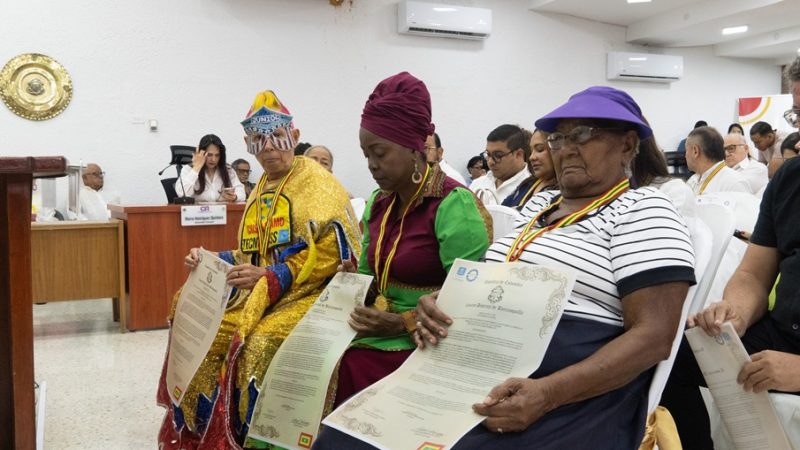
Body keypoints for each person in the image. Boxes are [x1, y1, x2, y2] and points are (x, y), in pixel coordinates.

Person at [317, 86, 696, 450]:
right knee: (345, 436)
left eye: (582, 135)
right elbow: (486, 281)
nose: (565, 149)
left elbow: (654, 335)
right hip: (479, 364)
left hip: (566, 389)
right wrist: (441, 300)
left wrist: (548, 394)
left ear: (627, 144)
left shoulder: (643, 209)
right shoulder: (539, 207)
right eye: (558, 138)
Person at [157, 90, 361, 449]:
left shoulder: (317, 182)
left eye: (276, 137)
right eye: (257, 141)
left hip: (314, 292)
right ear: (247, 144)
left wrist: (272, 276)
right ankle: (204, 433)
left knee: (258, 343)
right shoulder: (262, 186)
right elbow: (252, 253)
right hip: (263, 291)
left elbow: (334, 252)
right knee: (195, 319)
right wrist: (213, 258)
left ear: (294, 137)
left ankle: (258, 441)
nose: (268, 149)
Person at [321, 71, 491, 413]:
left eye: (380, 153)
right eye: (366, 154)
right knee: (309, 352)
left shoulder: (452, 204)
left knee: (347, 365)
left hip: (428, 335)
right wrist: (353, 282)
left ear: (414, 149)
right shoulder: (379, 202)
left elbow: (471, 298)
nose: (371, 165)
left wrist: (403, 322)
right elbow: (370, 276)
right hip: (379, 325)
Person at [661, 55, 800, 449]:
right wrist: (735, 312)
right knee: (668, 359)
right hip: (784, 333)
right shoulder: (790, 179)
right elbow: (754, 273)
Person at [469, 125, 532, 206]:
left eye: (498, 156)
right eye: (488, 154)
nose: (490, 162)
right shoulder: (478, 184)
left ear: (518, 154)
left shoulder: (531, 189)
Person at [175, 134, 245, 203]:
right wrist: (197, 168)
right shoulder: (188, 169)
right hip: (197, 210)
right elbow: (182, 194)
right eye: (209, 155)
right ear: (201, 153)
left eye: (217, 155)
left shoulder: (228, 170)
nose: (213, 159)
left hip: (222, 209)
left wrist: (235, 197)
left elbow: (241, 193)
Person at [685, 126, 752, 195]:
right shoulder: (693, 180)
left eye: (686, 151)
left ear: (695, 151)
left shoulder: (734, 183)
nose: (685, 156)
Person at [502, 129, 558, 210]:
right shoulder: (526, 184)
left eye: (539, 149)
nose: (531, 157)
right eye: (531, 151)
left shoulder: (566, 193)